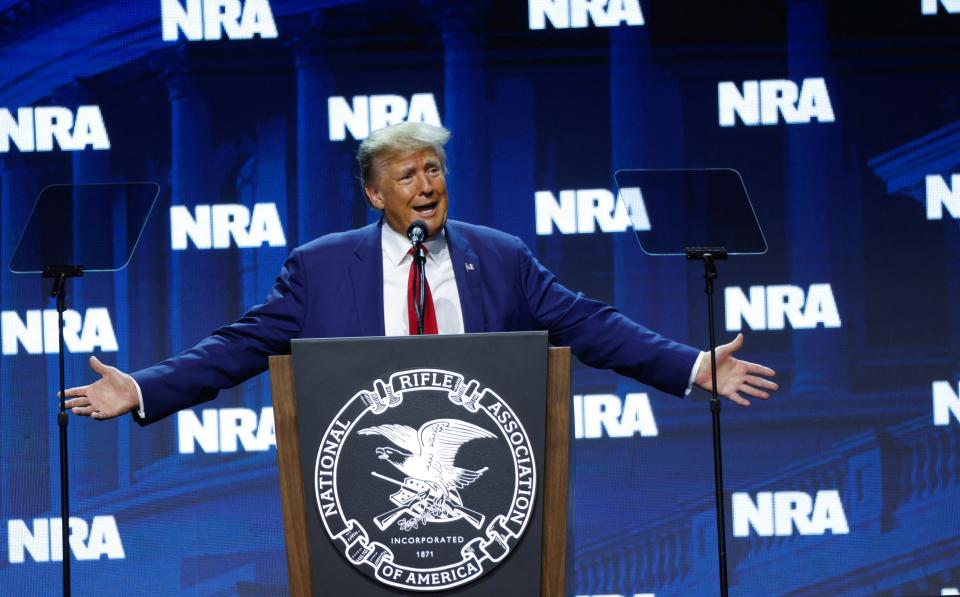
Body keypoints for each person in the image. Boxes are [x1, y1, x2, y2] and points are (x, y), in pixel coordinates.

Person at [64, 122, 777, 423]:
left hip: (491, 485)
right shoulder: (319, 268)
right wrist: (143, 386)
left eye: (434, 169)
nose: (427, 185)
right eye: (407, 175)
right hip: (362, 490)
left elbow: (591, 324)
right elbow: (237, 347)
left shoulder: (498, 256)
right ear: (376, 195)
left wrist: (689, 365)